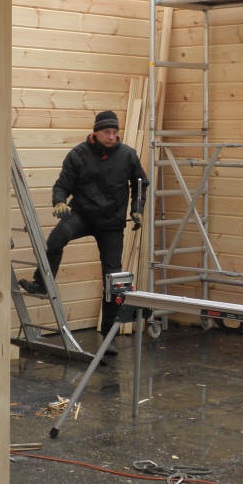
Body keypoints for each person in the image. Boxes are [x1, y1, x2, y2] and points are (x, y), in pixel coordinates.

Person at [18, 110, 148, 355]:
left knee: (112, 278)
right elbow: (62, 185)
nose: (112, 136)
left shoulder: (127, 155)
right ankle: (41, 284)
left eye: (115, 132)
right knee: (56, 239)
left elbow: (140, 183)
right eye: (107, 132)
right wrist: (59, 201)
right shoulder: (78, 154)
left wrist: (137, 210)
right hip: (82, 215)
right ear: (95, 132)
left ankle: (109, 336)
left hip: (111, 222)